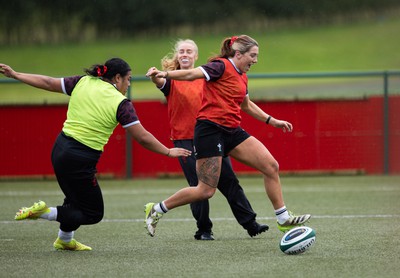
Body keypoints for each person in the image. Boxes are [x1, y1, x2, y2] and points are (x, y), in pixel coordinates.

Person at [0, 58, 191, 251]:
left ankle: (64, 240)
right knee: (93, 213)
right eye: (128, 79)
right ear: (117, 78)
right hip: (80, 158)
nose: (129, 84)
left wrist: (16, 75)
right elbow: (142, 137)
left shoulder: (82, 81)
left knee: (75, 200)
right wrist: (168, 151)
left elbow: (49, 83)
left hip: (60, 149)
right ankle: (44, 212)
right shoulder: (121, 103)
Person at [144, 35, 311, 237]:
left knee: (271, 166)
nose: (255, 60)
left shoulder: (243, 75)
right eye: (253, 55)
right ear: (238, 54)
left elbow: (246, 105)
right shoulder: (220, 66)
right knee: (205, 191)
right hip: (209, 131)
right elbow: (191, 75)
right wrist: (166, 74)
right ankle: (157, 209)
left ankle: (283, 218)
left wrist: (272, 120)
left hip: (231, 130)